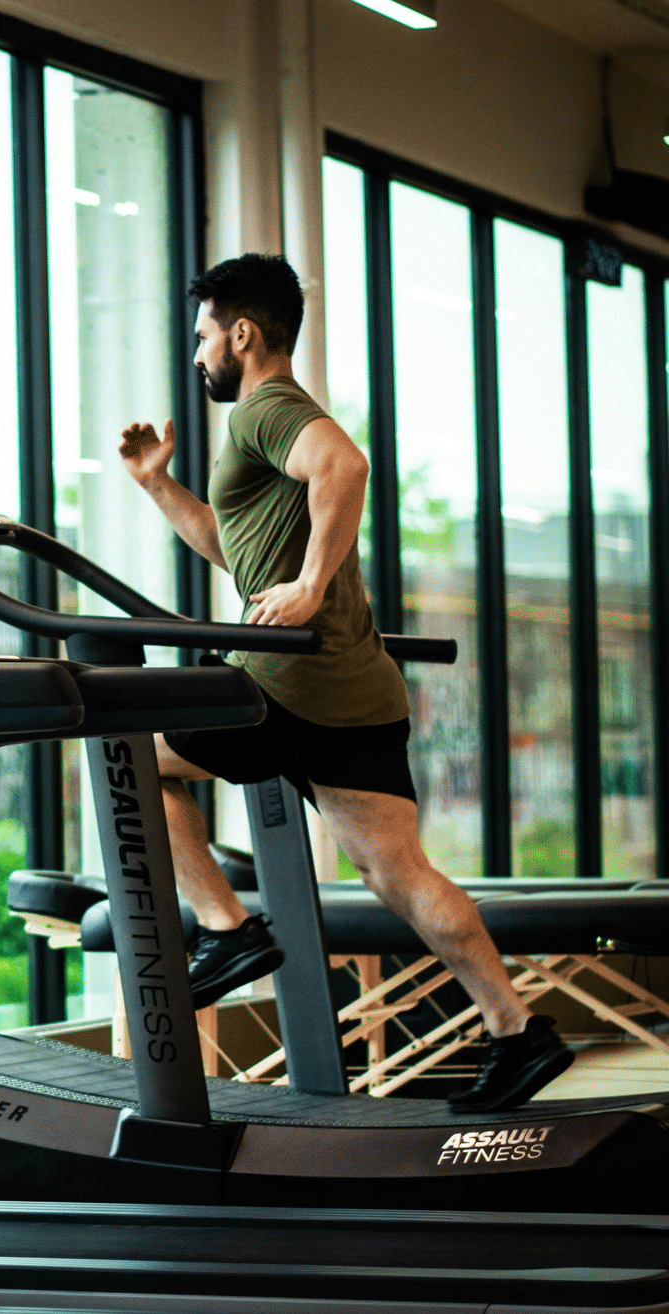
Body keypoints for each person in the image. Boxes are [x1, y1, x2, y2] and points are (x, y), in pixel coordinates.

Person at [118, 253, 572, 1113]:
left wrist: (312, 587)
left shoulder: (268, 409)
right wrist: (158, 485)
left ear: (242, 334)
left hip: (284, 681)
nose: (199, 355)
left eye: (204, 336)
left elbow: (347, 468)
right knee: (400, 874)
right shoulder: (269, 425)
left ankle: (226, 930)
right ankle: (517, 1030)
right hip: (356, 689)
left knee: (128, 754)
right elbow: (236, 549)